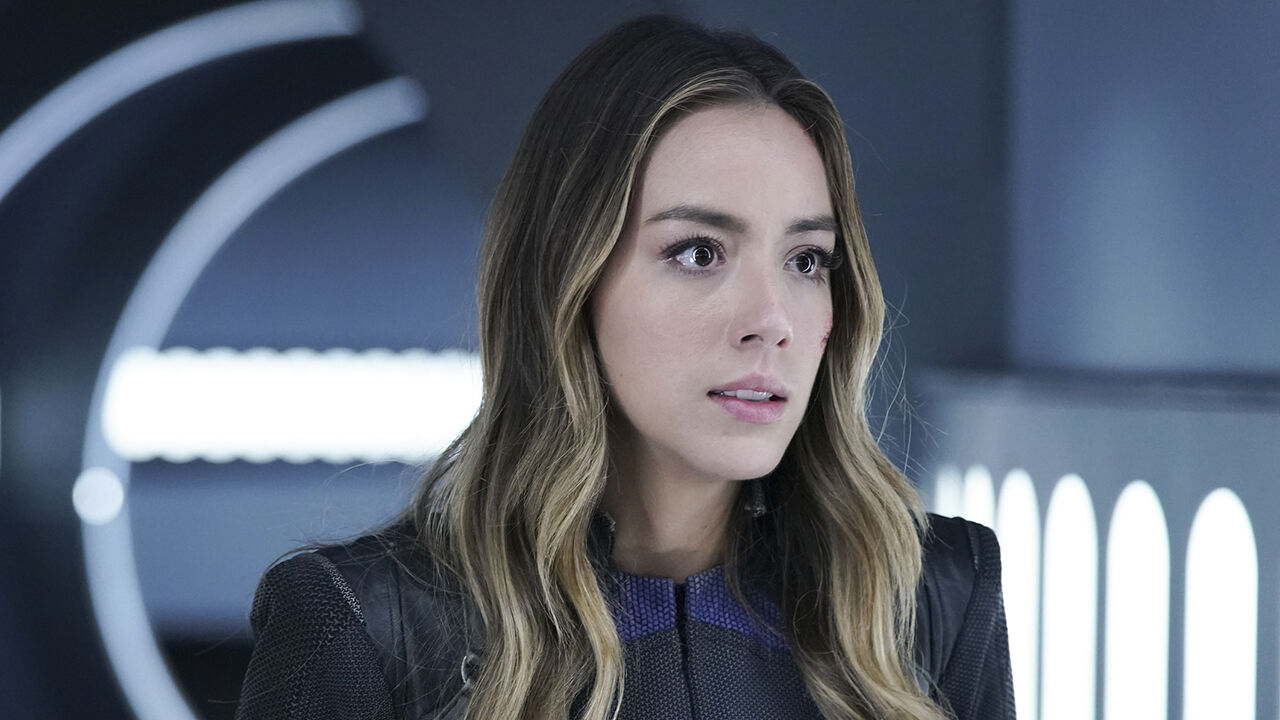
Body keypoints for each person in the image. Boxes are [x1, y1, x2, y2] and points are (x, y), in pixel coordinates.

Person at [234, 14, 1013, 720]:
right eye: (699, 252)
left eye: (807, 259)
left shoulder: (932, 599)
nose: (772, 320)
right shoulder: (366, 627)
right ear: (569, 280)